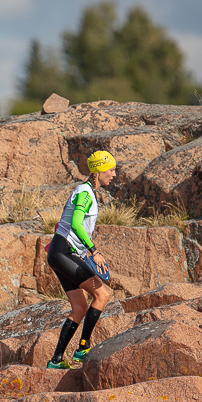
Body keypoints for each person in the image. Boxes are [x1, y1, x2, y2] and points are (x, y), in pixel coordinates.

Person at [46, 150, 118, 370]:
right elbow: (76, 224)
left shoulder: (88, 192)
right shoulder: (86, 192)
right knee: (102, 293)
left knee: (79, 307)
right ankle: (82, 349)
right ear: (98, 171)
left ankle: (56, 360)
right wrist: (94, 252)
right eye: (111, 170)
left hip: (61, 252)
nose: (114, 174)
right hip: (63, 252)